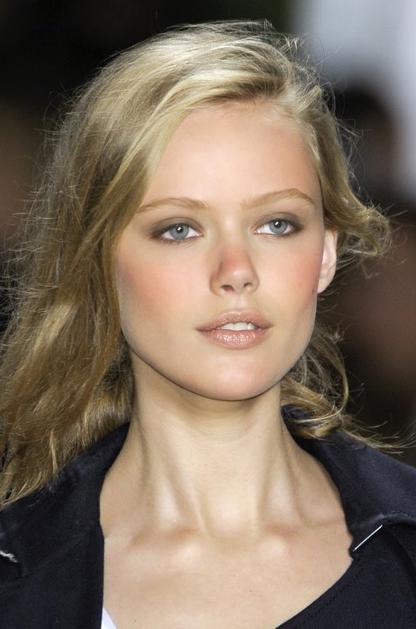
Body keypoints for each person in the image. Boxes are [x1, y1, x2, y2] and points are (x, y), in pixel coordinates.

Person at [0, 20, 415, 629]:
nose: (236, 271)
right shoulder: (18, 580)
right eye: (180, 229)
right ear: (99, 262)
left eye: (276, 224)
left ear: (326, 253)